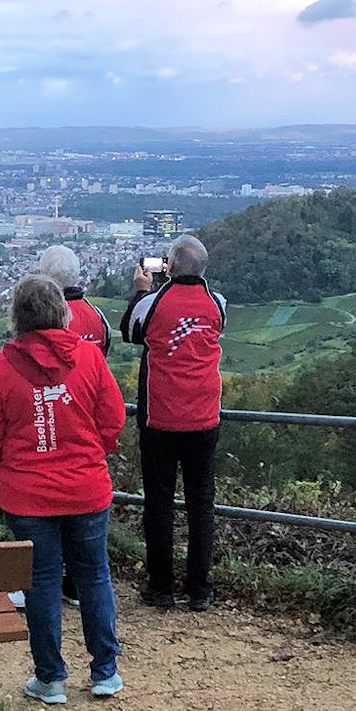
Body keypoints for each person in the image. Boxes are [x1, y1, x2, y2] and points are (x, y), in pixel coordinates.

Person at [0, 275, 128, 704]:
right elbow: (113, 418)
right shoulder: (90, 358)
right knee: (94, 575)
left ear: (17, 316)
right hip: (86, 488)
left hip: (28, 494)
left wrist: (7, 467)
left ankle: (50, 677)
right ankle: (105, 671)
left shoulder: (3, 366)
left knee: (40, 583)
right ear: (62, 310)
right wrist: (94, 452)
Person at [120, 234, 226, 611]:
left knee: (159, 503)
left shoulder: (152, 303)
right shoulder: (217, 303)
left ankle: (161, 586)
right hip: (204, 417)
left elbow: (130, 333)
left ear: (171, 267)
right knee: (202, 504)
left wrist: (140, 291)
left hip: (160, 417)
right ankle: (200, 589)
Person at [34, 244, 109, 606]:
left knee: (48, 532)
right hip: (87, 438)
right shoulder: (96, 317)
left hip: (46, 433)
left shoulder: (40, 322)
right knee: (88, 546)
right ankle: (77, 587)